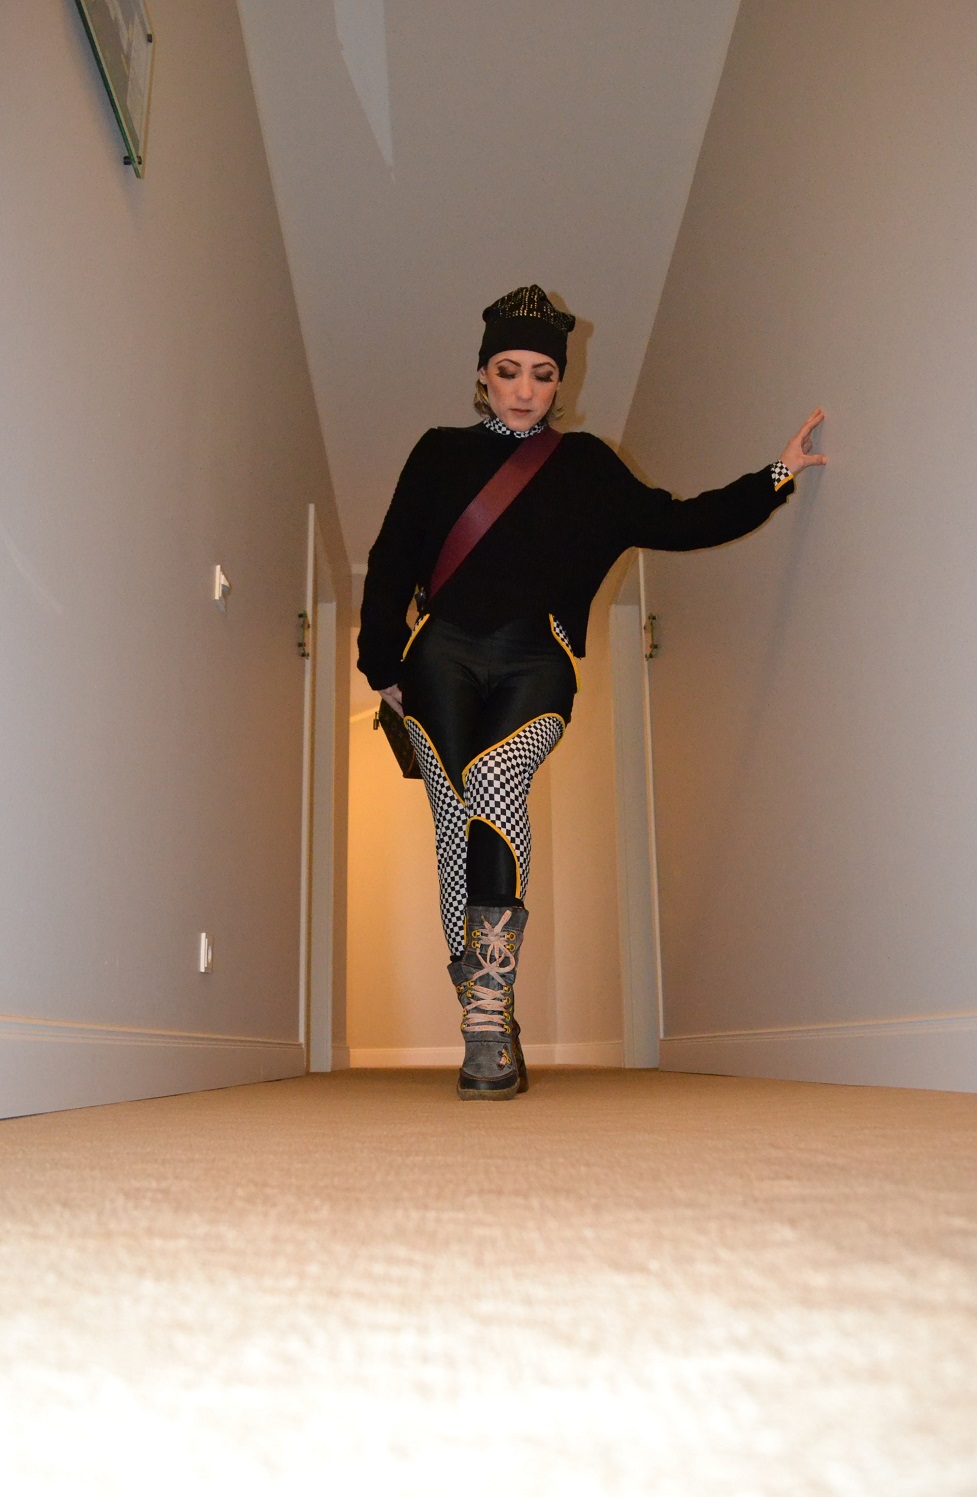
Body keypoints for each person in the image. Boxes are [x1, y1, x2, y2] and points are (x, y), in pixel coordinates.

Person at [358, 284, 825, 1102]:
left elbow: (679, 521)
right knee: (453, 823)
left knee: (495, 785)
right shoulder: (437, 452)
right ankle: (486, 1018)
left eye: (542, 374)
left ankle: (488, 1008)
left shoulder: (586, 465)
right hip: (440, 655)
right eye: (508, 370)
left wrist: (777, 473)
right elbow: (392, 555)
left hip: (536, 659)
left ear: (559, 382)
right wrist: (379, 664)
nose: (524, 389)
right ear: (482, 373)